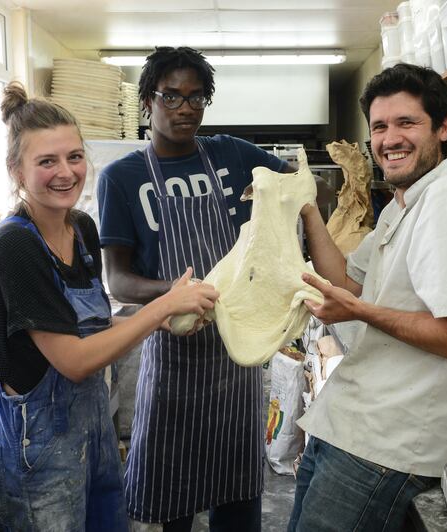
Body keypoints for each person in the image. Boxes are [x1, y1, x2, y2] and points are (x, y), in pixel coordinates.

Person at [0, 81, 219, 532]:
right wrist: (161, 308)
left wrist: (165, 321)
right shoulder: (13, 246)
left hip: (91, 431)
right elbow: (75, 360)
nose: (65, 172)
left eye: (74, 156)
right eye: (46, 161)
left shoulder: (81, 228)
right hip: (36, 448)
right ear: (16, 170)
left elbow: (90, 328)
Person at [287, 63, 447, 531]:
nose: (390, 139)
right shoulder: (405, 203)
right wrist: (307, 209)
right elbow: (347, 281)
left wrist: (356, 311)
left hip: (391, 447)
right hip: (353, 428)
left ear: (444, 127)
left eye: (407, 123)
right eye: (380, 127)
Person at [96, 46, 291, 531]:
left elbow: (293, 187)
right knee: (171, 501)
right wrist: (177, 295)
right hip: (172, 360)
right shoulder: (122, 178)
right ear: (147, 102)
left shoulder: (231, 154)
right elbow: (117, 279)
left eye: (196, 97)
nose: (185, 108)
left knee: (237, 499)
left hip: (237, 356)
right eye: (171, 96)